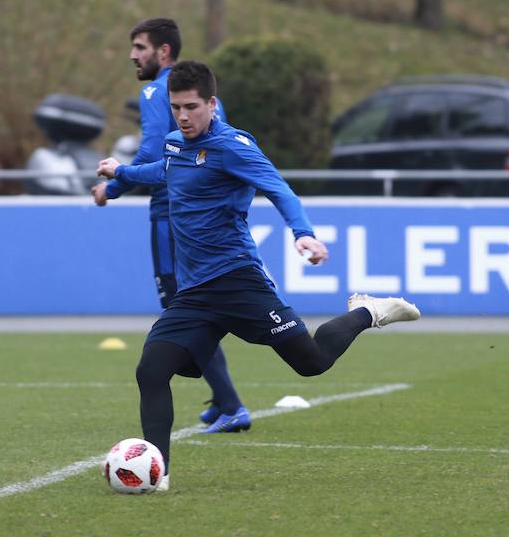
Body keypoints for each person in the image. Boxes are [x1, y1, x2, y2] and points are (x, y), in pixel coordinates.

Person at [96, 61, 420, 491]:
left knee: (312, 364)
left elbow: (279, 189)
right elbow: (161, 171)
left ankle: (367, 312)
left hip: (238, 281)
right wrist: (120, 173)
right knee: (151, 370)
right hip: (194, 294)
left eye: (192, 107)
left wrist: (303, 234)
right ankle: (159, 474)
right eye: (176, 108)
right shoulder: (175, 145)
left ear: (212, 103)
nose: (183, 116)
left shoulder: (235, 147)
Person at [92, 18, 251, 434]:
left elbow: (149, 150)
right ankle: (222, 400)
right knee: (198, 301)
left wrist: (115, 186)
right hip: (206, 207)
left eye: (140, 47)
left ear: (163, 52)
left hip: (171, 210)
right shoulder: (203, 95)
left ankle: (232, 405)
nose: (133, 55)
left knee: (182, 308)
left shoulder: (155, 89)